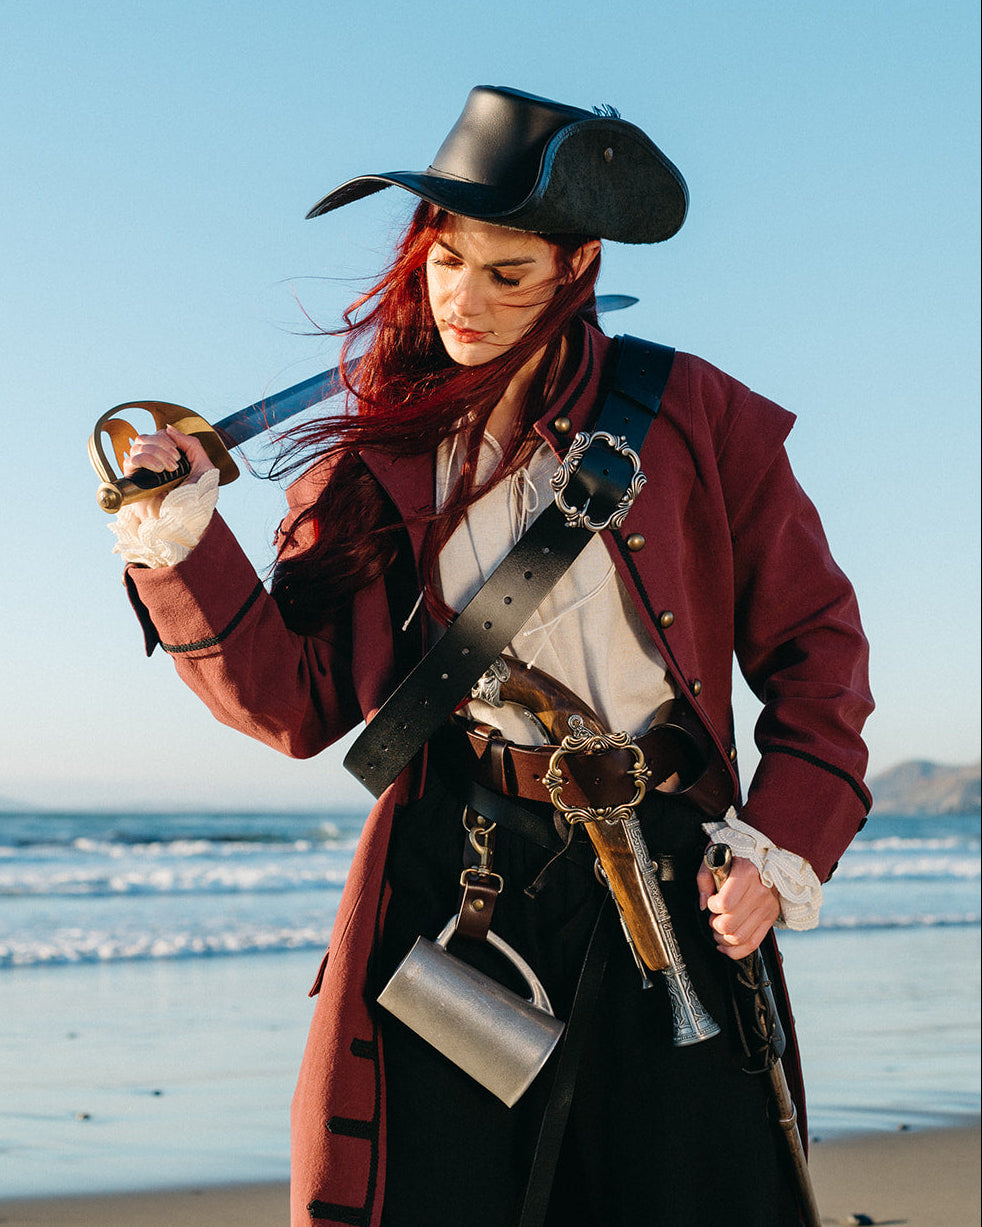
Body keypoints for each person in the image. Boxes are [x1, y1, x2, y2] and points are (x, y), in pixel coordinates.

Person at [109, 86, 873, 1227]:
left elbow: (820, 654)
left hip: (669, 874)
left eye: (507, 273)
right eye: (445, 261)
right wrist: (180, 544)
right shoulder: (377, 453)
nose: (462, 300)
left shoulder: (693, 413)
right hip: (459, 879)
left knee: (695, 1196)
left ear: (579, 264)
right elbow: (295, 704)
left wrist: (779, 850)